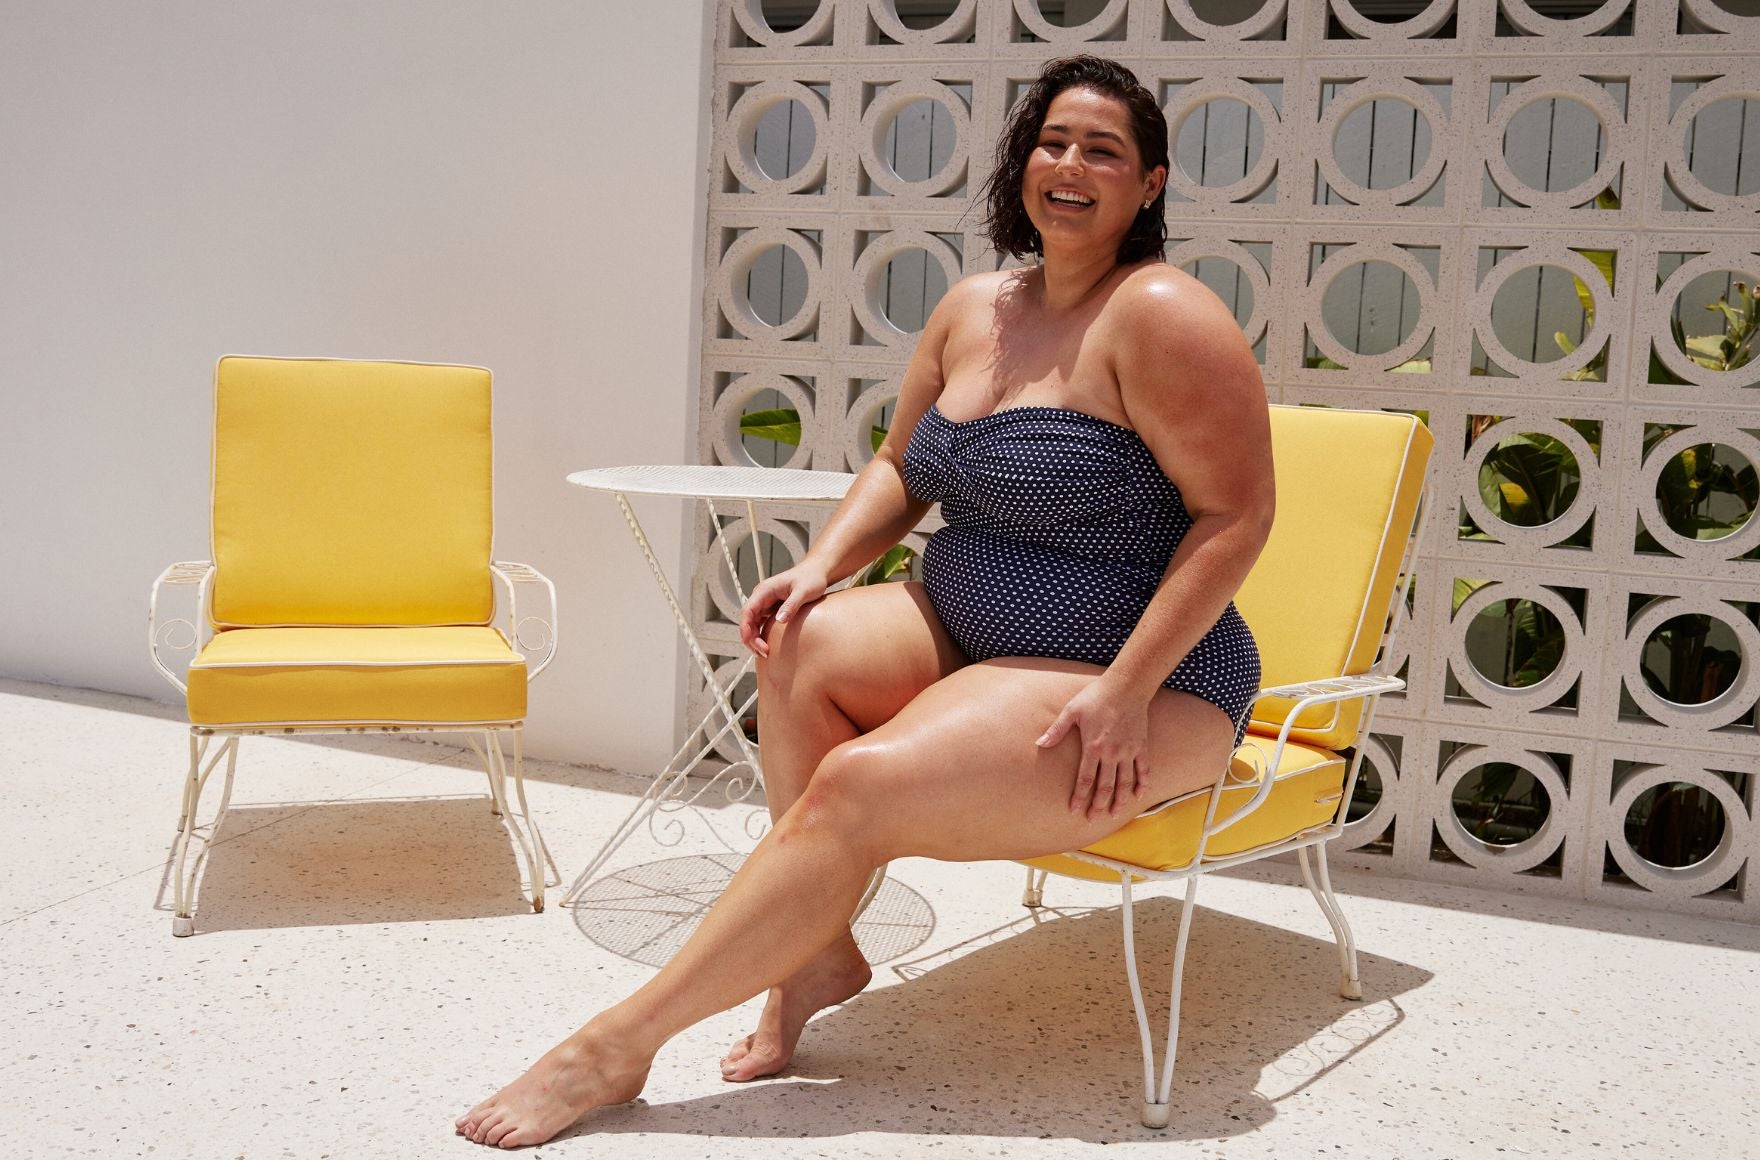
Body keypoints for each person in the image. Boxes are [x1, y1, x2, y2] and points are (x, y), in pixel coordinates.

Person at [457, 53, 1273, 1149]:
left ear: (1150, 183)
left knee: (856, 786)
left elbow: (1237, 517)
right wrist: (822, 567)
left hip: (1136, 672)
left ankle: (612, 1045)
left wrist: (1127, 692)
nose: (1070, 166)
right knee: (798, 641)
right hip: (972, 625)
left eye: (1103, 151)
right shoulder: (975, 308)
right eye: (1052, 142)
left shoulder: (1162, 314)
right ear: (1023, 161)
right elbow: (901, 464)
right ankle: (821, 950)